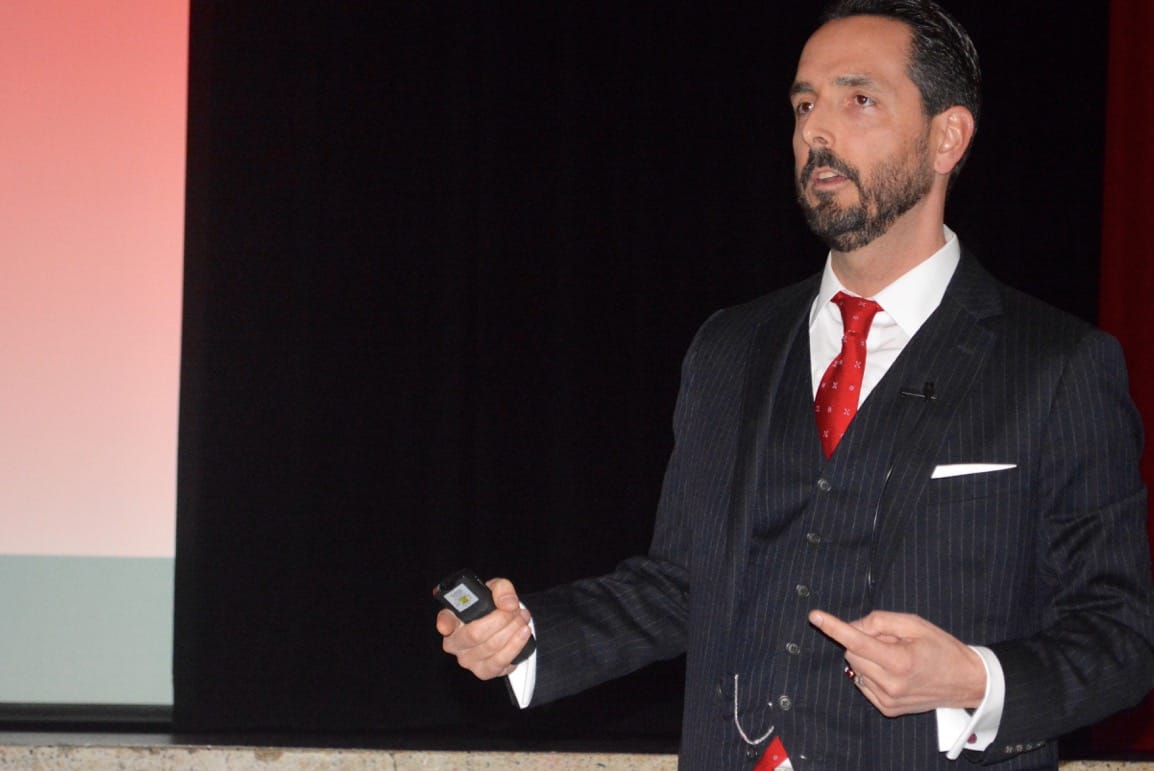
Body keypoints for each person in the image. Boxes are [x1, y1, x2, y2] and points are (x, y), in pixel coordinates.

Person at [435, 1, 1154, 768]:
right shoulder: (730, 347)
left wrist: (974, 678)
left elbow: (1120, 637)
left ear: (948, 137)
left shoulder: (1056, 364)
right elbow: (681, 582)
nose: (818, 131)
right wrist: (530, 634)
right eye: (805, 104)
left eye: (859, 100)